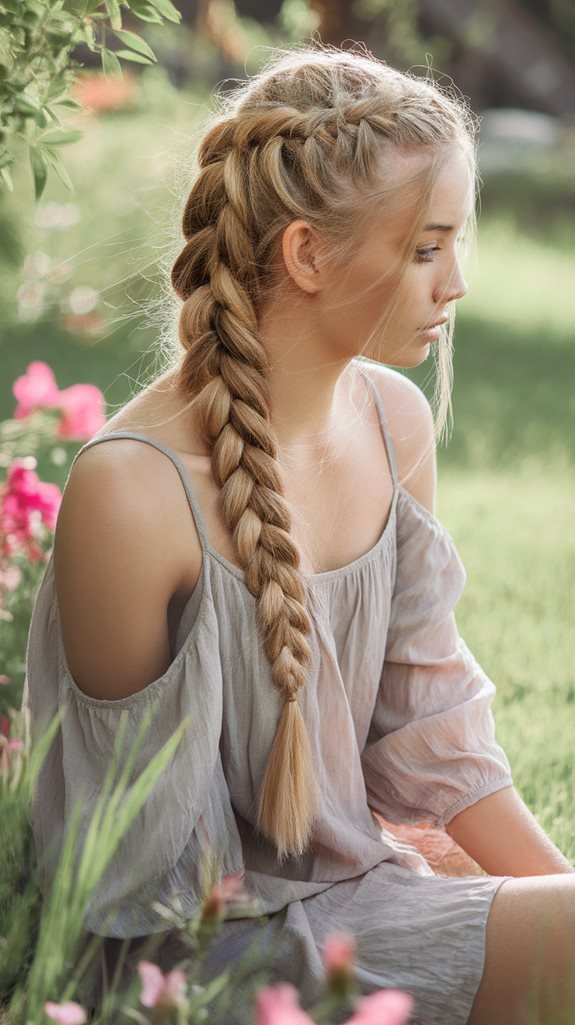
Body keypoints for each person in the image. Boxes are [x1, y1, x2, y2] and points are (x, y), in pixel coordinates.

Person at [23, 43, 575, 1025]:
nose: (454, 283)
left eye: (457, 244)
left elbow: (428, 722)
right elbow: (142, 881)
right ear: (306, 254)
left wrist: (552, 904)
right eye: (422, 248)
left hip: (365, 895)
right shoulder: (133, 492)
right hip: (197, 960)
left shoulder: (392, 422)